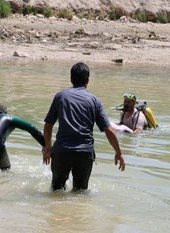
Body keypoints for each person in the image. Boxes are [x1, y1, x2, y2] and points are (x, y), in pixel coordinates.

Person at [42, 62, 125, 191]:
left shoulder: (60, 97)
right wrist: (118, 153)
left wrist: (48, 147)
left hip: (62, 151)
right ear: (87, 81)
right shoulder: (94, 100)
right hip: (84, 154)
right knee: (80, 194)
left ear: (71, 79)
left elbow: (48, 125)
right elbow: (108, 130)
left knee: (56, 191)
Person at [0, 104, 45, 169]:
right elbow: (32, 128)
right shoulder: (9, 118)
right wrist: (46, 145)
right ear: (5, 113)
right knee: (5, 172)